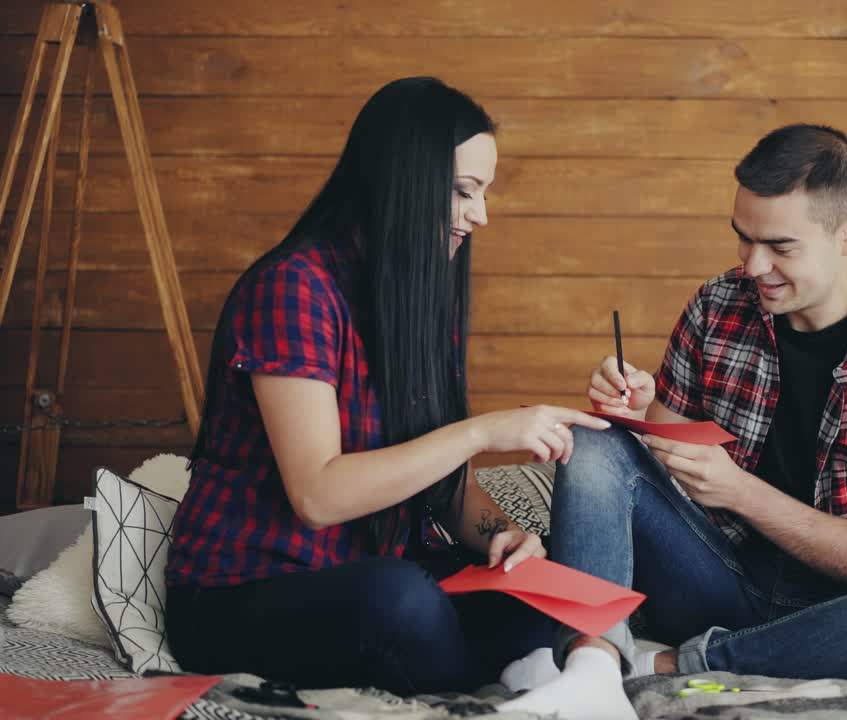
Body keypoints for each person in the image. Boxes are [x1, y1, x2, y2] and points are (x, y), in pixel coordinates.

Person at [504, 124, 847, 720]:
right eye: (743, 239)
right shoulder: (717, 305)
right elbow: (654, 462)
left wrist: (740, 491)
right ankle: (592, 664)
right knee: (590, 441)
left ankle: (667, 666)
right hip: (707, 576)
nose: (754, 266)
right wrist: (632, 420)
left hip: (839, 612)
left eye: (780, 246)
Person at [163, 77, 611, 696]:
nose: (481, 215)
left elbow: (444, 486)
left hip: (371, 571)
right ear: (403, 182)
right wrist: (482, 430)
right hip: (243, 596)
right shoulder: (293, 288)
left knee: (538, 589)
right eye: (463, 193)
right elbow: (317, 496)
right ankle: (493, 685)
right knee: (402, 601)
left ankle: (525, 672)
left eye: (482, 193)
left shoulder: (417, 296)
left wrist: (499, 535)